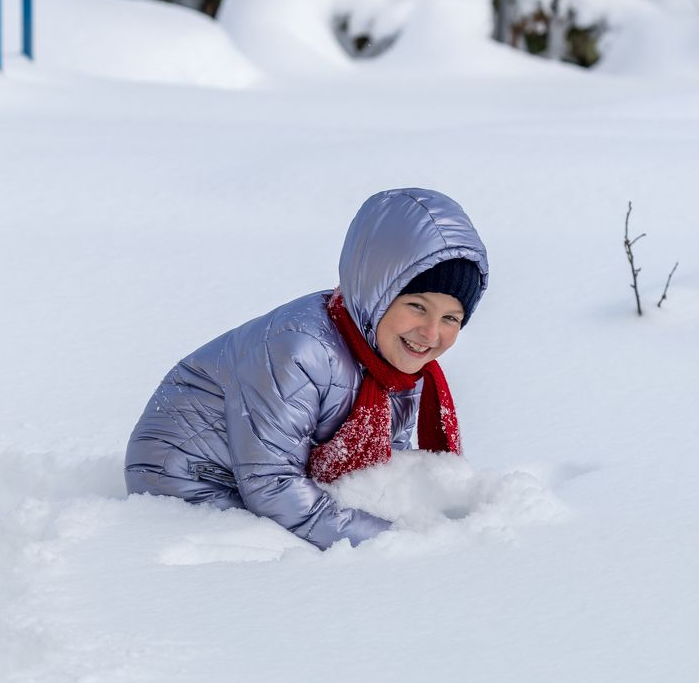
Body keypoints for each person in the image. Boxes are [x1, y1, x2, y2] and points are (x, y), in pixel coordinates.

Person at [125, 187, 488, 549]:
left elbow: (379, 469)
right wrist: (395, 541)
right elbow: (271, 484)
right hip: (187, 479)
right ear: (376, 290)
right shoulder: (299, 351)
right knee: (297, 556)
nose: (431, 333)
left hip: (263, 482)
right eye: (417, 306)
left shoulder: (398, 365)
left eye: (451, 317)